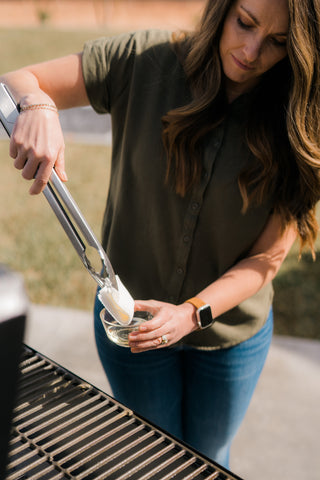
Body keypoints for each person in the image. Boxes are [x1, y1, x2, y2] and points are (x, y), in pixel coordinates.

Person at [1, 0, 320, 469]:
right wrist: (39, 106)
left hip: (231, 337)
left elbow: (267, 258)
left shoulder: (299, 118)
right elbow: (17, 82)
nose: (252, 51)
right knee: (153, 464)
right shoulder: (143, 59)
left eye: (277, 42)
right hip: (133, 326)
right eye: (245, 23)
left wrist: (192, 314)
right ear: (223, 9)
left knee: (209, 459)